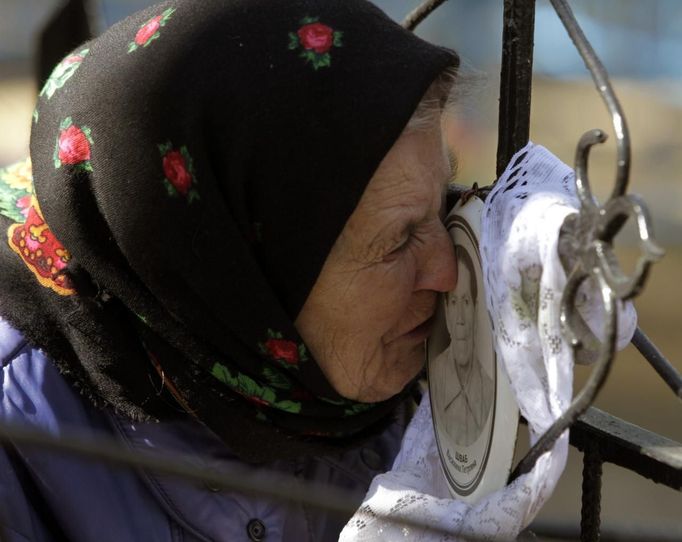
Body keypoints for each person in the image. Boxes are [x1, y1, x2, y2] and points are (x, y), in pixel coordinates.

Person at [0, 0, 461, 540]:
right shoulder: (19, 434)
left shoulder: (308, 381)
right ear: (236, 276)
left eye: (441, 208)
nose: (447, 271)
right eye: (399, 240)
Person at [438, 244, 494, 447]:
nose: (460, 318)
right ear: (445, 310)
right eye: (453, 302)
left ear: (476, 308)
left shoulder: (489, 391)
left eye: (466, 301)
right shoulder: (436, 377)